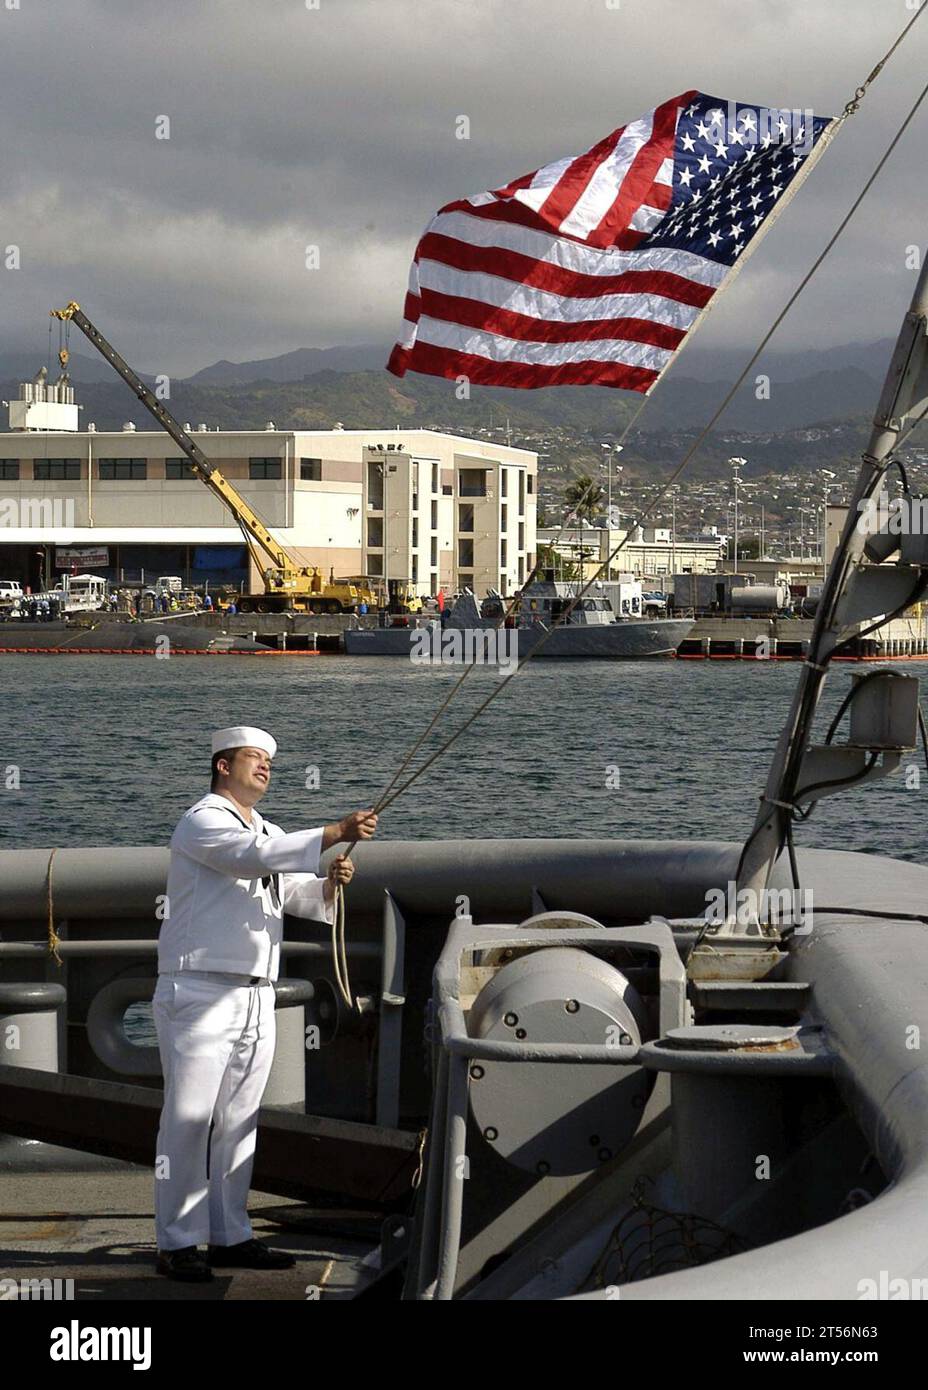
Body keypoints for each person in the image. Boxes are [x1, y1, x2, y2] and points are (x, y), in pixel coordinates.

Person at [152, 726, 378, 1282]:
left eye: (272, 761)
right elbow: (250, 859)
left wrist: (327, 882)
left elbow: (292, 889)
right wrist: (332, 831)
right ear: (223, 765)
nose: (267, 768)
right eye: (256, 759)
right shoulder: (202, 819)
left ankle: (230, 1234)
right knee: (189, 1118)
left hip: (256, 993)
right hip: (201, 989)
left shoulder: (268, 829)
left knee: (239, 1120)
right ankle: (177, 1241)